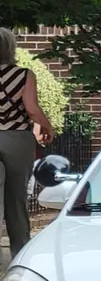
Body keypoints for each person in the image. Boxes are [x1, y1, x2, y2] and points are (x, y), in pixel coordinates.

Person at [0, 29, 54, 254]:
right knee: (16, 198)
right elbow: (31, 109)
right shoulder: (23, 75)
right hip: (17, 140)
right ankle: (19, 253)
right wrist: (47, 125)